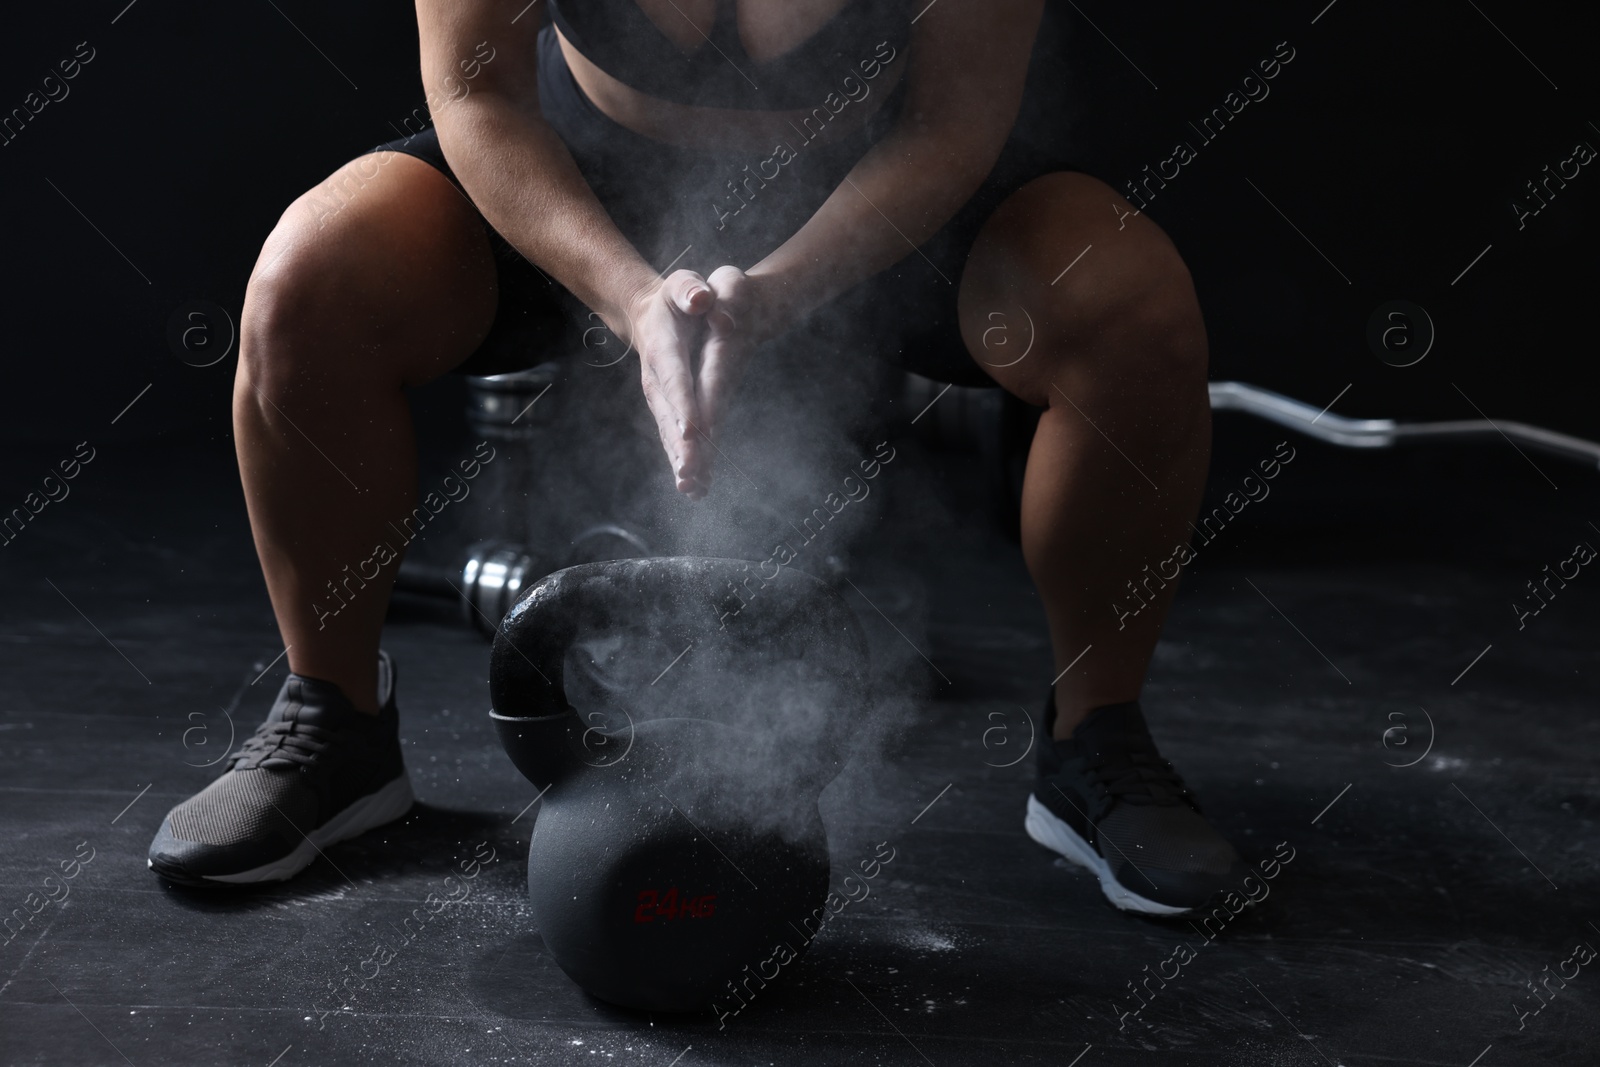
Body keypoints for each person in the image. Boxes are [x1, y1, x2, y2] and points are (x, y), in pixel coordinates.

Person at [148, 0, 1245, 914]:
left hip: (883, 206)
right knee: (308, 281)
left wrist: (772, 293)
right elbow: (479, 95)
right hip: (578, 197)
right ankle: (334, 727)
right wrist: (631, 297)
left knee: (1131, 308)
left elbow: (952, 121)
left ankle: (1093, 738)